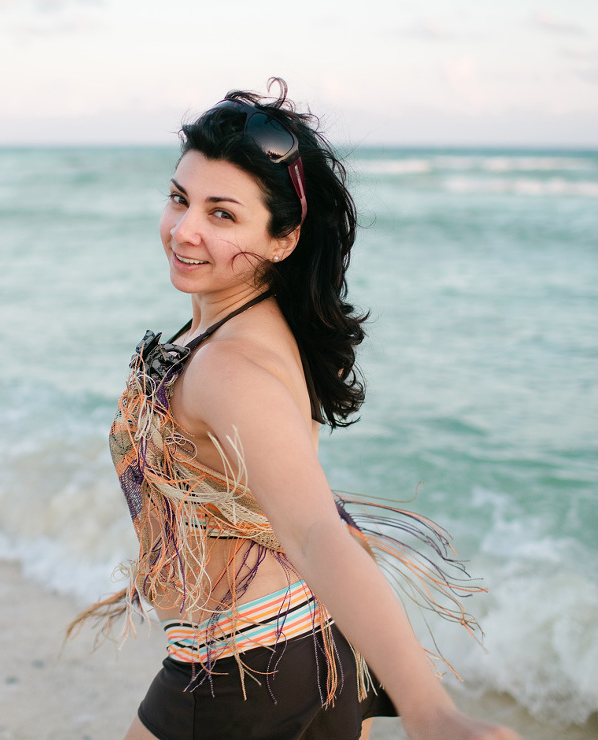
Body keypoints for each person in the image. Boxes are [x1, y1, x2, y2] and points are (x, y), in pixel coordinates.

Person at [70, 79, 523, 740]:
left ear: (282, 239)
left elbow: (315, 532)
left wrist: (432, 714)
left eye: (222, 214)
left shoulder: (231, 365)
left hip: (245, 672)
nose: (185, 229)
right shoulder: (249, 324)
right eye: (179, 198)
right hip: (298, 652)